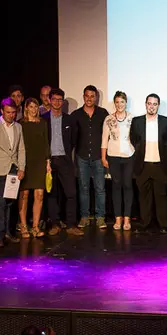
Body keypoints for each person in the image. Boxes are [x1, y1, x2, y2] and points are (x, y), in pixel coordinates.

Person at [0, 98, 26, 247]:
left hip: (12, 169)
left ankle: (8, 232)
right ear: (2, 111)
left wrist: (21, 168)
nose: (11, 115)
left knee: (9, 203)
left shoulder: (18, 127)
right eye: (8, 112)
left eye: (14, 112)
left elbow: (21, 148)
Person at [129, 93, 167, 233]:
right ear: (146, 104)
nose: (152, 106)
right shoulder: (137, 121)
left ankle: (163, 225)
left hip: (160, 165)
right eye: (149, 103)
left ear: (158, 106)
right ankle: (145, 223)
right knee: (144, 197)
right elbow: (134, 139)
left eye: (155, 104)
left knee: (161, 196)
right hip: (143, 165)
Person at [43, 88, 84, 237]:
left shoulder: (69, 120)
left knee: (71, 193)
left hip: (65, 160)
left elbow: (74, 140)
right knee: (52, 193)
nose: (57, 102)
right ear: (49, 100)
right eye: (54, 99)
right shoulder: (43, 119)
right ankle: (55, 224)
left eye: (60, 100)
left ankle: (71, 224)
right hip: (49, 161)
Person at [71, 85, 109, 229]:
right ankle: (85, 216)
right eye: (87, 96)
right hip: (82, 156)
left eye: (92, 96)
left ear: (96, 98)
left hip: (98, 156)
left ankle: (100, 217)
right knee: (84, 188)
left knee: (100, 189)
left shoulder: (103, 113)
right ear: (83, 96)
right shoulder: (76, 115)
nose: (89, 98)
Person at [101, 91, 135, 231]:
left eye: (122, 102)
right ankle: (118, 219)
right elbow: (104, 139)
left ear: (126, 103)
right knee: (116, 186)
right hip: (113, 156)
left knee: (127, 185)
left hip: (129, 156)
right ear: (114, 103)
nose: (119, 105)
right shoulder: (108, 119)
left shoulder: (132, 119)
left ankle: (127, 219)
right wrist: (103, 157)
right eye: (117, 102)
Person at [19, 98, 50, 238]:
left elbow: (46, 143)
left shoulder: (42, 123)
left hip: (39, 162)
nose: (33, 109)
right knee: (24, 194)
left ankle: (35, 226)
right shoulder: (21, 124)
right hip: (25, 162)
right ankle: (23, 225)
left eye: (35, 106)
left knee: (39, 194)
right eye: (30, 106)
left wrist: (48, 162)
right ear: (26, 108)